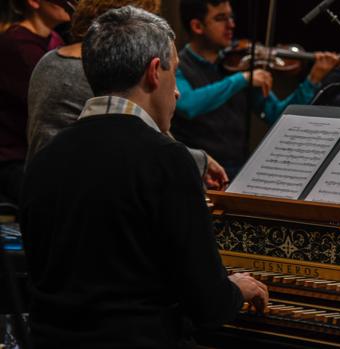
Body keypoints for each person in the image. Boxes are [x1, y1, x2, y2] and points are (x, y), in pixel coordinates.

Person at [20, 6, 268, 349]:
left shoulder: (44, 158)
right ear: (154, 72)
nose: (177, 93)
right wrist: (236, 289)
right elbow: (207, 305)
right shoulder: (166, 159)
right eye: (174, 73)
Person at [26, 0, 228, 190]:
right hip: (84, 191)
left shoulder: (48, 60)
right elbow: (149, 143)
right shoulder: (101, 71)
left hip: (43, 188)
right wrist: (199, 161)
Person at [173, 0, 340, 178]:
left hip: (239, 171)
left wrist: (312, 81)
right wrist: (242, 79)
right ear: (197, 26)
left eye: (231, 17)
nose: (231, 25)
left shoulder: (240, 64)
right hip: (196, 173)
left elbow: (277, 115)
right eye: (221, 18)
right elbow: (187, 105)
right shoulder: (179, 66)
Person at [0, 0, 70, 205]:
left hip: (38, 154)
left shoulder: (53, 39)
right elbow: (54, 100)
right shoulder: (16, 44)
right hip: (14, 160)